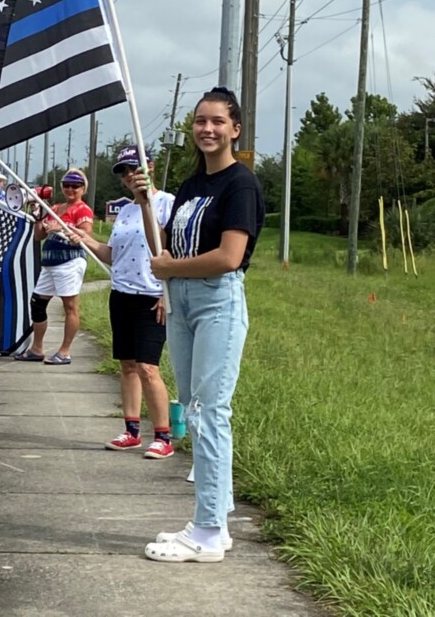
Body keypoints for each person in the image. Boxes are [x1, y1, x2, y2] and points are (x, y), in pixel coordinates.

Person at [133, 87, 264, 563]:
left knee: (210, 412)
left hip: (216, 302)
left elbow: (229, 257)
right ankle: (215, 523)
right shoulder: (191, 187)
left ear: (235, 129)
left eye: (217, 121)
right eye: (200, 121)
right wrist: (144, 203)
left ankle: (207, 531)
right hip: (182, 303)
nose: (207, 129)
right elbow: (164, 251)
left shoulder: (240, 184)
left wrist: (172, 269)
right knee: (194, 410)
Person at [71, 145, 175, 458]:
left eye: (134, 168)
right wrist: (87, 240)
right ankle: (131, 431)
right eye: (124, 171)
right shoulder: (126, 211)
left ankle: (164, 436)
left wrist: (166, 292)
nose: (130, 175)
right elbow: (113, 255)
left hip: (152, 297)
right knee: (128, 365)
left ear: (150, 167)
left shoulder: (167, 203)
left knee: (148, 367)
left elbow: (171, 251)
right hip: (122, 295)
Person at [13, 169, 93, 365]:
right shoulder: (55, 208)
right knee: (37, 303)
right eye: (66, 185)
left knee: (70, 306)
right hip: (49, 263)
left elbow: (85, 235)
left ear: (83, 188)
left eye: (75, 186)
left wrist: (62, 228)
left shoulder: (82, 210)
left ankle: (65, 351)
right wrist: (38, 218)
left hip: (69, 261)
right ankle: (37, 348)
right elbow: (39, 236)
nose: (70, 189)